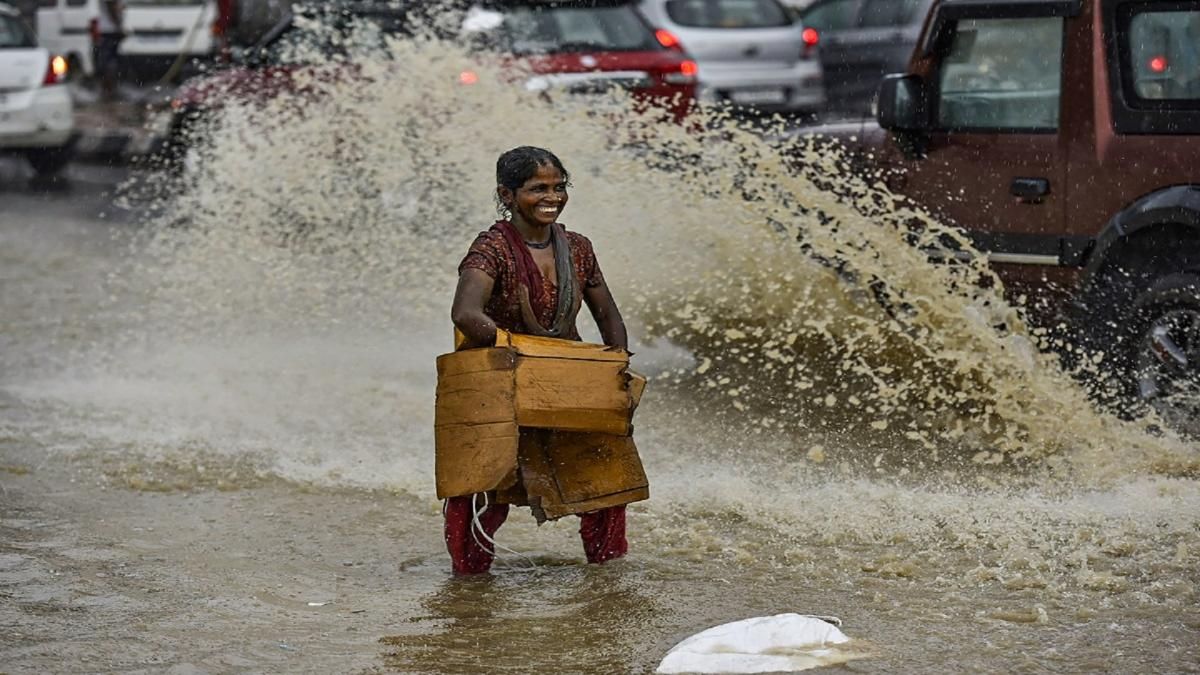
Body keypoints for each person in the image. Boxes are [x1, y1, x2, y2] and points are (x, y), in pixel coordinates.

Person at [447, 146, 630, 575]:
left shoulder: (579, 248)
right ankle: (469, 585)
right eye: (537, 189)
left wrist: (616, 368)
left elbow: (608, 316)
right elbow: (465, 313)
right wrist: (523, 351)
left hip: (566, 378)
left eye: (559, 187)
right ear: (506, 195)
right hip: (501, 380)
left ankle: (607, 580)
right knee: (480, 487)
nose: (552, 197)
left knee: (603, 481)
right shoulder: (491, 248)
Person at [93, 0, 124, 102]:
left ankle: (107, 90)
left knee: (107, 61)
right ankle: (110, 91)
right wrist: (119, 26)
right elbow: (111, 6)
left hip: (106, 31)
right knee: (110, 62)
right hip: (110, 30)